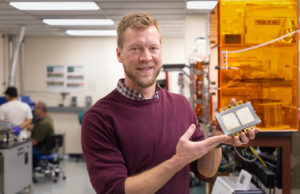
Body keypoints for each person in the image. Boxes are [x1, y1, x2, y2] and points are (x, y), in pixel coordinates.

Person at [81, 12, 258, 194]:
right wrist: (178, 161)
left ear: (161, 51)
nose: (146, 57)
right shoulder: (99, 118)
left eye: (153, 48)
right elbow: (116, 190)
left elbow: (205, 172)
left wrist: (217, 139)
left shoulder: (180, 105)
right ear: (119, 54)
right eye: (135, 48)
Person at [29, 101, 54, 168]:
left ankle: (31, 169)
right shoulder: (47, 118)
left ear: (40, 110)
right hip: (47, 147)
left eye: (35, 108)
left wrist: (22, 143)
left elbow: (34, 142)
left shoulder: (43, 124)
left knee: (25, 151)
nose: (34, 110)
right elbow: (37, 127)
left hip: (42, 149)